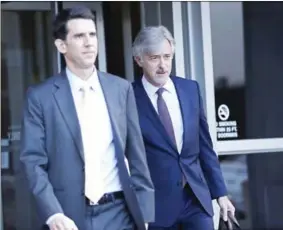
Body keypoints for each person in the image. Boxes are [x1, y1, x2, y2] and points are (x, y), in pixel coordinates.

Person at [20, 6, 154, 230]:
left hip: (120, 213)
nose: (89, 42)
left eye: (92, 34)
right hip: (68, 216)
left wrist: (146, 213)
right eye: (79, 36)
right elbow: (32, 162)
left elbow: (137, 154)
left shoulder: (120, 89)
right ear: (61, 45)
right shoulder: (40, 97)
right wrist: (53, 213)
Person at [132, 25, 235, 230]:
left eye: (167, 57)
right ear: (139, 59)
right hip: (156, 208)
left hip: (196, 200)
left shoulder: (190, 89)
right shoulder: (127, 97)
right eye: (154, 58)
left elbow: (205, 146)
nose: (163, 65)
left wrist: (221, 193)